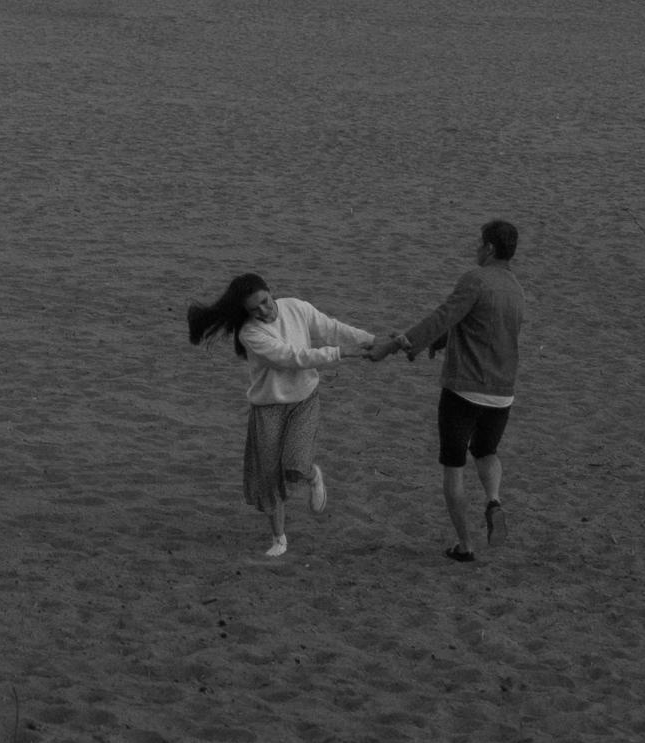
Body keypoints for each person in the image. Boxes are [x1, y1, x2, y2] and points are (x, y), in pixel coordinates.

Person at [184, 271, 391, 562]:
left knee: (295, 464)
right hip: (268, 408)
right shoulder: (250, 333)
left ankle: (312, 474)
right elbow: (293, 358)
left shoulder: (296, 307)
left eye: (265, 302)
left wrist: (370, 340)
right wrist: (343, 353)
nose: (264, 311)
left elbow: (331, 328)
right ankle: (278, 537)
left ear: (271, 292)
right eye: (255, 309)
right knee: (268, 475)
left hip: (304, 400)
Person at [395, 220, 527, 562]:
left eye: (479, 243)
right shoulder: (516, 289)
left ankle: (465, 545)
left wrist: (410, 343)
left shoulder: (475, 279)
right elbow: (476, 325)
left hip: (464, 389)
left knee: (453, 465)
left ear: (490, 249)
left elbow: (445, 315)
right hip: (502, 392)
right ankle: (494, 499)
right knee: (486, 451)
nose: (476, 248)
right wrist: (440, 342)